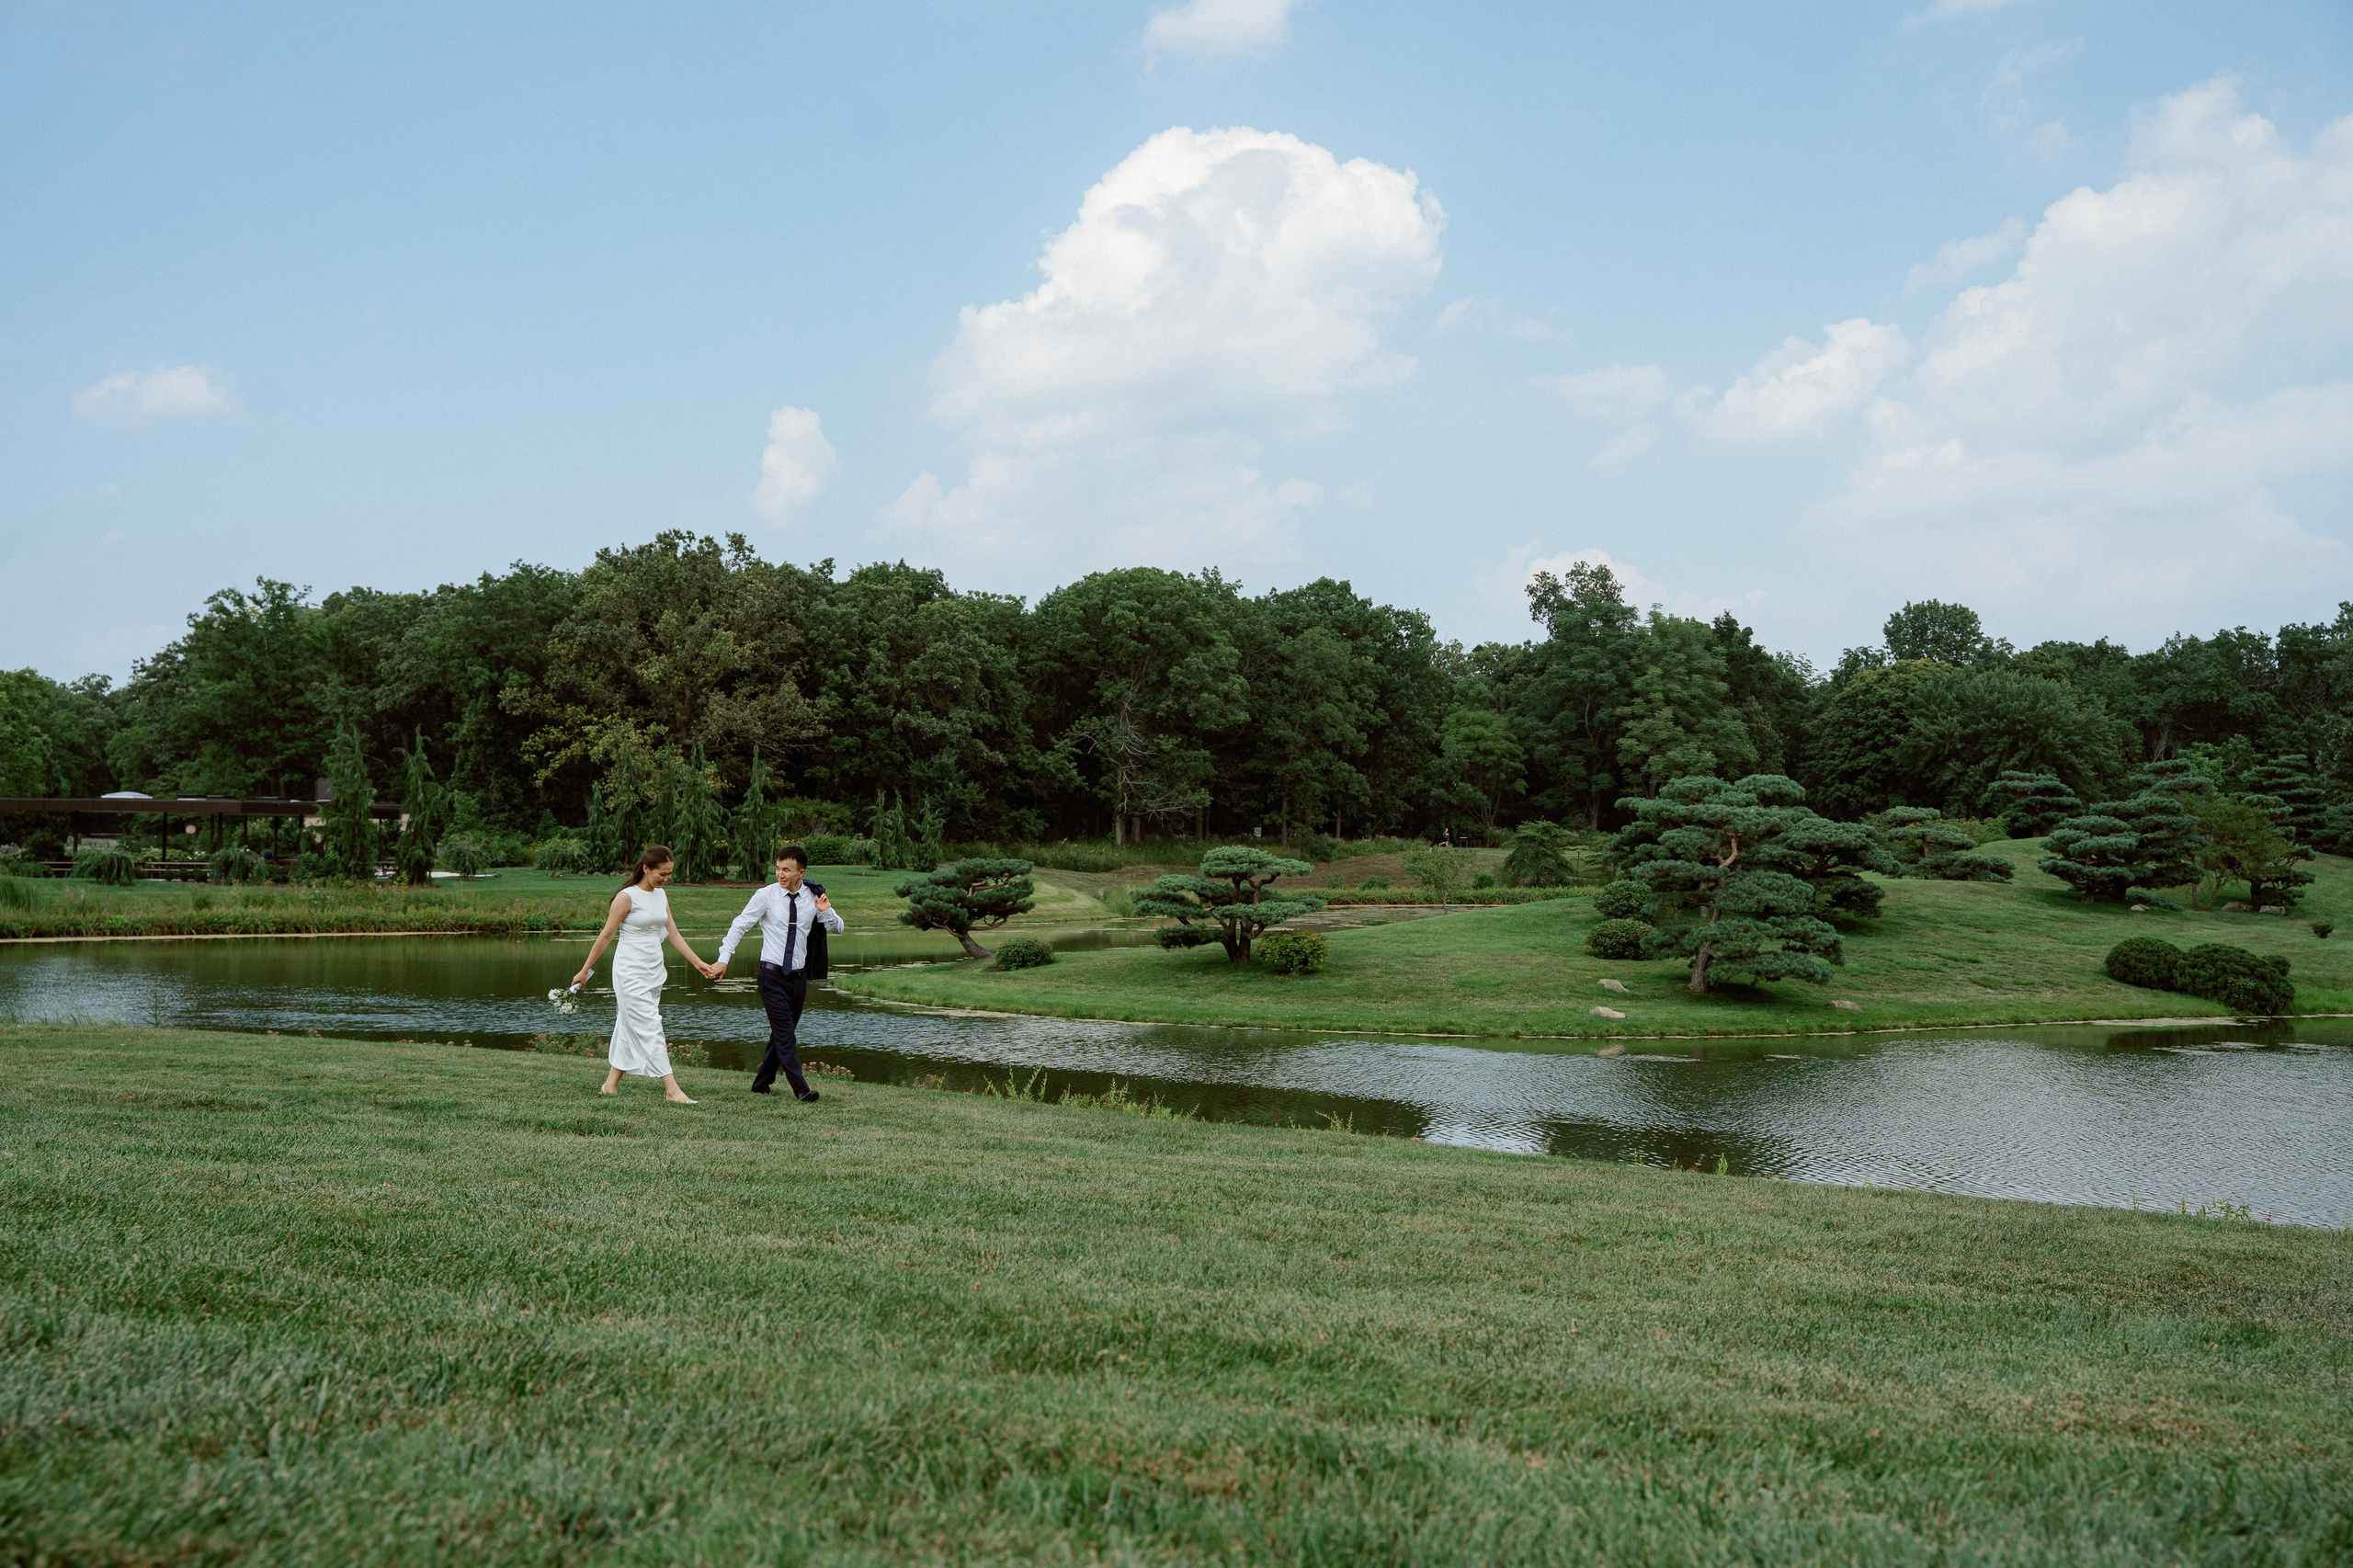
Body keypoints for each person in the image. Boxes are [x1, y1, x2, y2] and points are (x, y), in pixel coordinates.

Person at [572, 845, 717, 1104]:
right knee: (650, 1026)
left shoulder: (661, 896)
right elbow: (606, 936)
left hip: (653, 970)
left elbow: (672, 933)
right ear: (646, 868)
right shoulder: (626, 897)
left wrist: (698, 962)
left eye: (670, 874)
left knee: (629, 1024)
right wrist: (584, 970)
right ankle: (672, 1090)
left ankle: (609, 1085)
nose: (666, 879)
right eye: (662, 874)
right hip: (629, 971)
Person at [712, 842, 844, 1101]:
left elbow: (838, 928)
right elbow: (739, 926)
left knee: (782, 1033)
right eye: (777, 868)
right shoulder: (766, 896)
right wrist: (723, 958)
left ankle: (761, 1083)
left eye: (786, 869)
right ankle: (801, 1089)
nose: (780, 874)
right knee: (785, 1034)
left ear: (801, 873)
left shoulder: (814, 896)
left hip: (798, 978)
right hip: (770, 975)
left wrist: (826, 912)